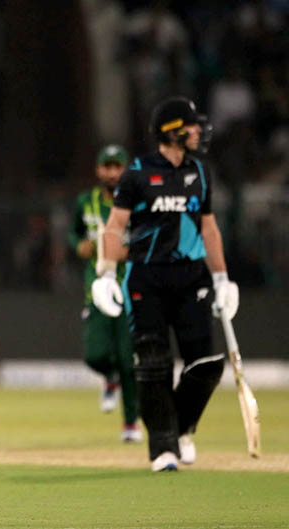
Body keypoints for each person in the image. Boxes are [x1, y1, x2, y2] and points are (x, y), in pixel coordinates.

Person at [92, 96, 239, 471]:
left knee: (206, 363)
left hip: (192, 278)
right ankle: (163, 448)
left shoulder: (201, 173)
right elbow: (115, 227)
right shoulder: (138, 172)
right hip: (147, 276)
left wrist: (222, 277)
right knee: (153, 364)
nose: (198, 131)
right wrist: (107, 273)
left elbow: (209, 228)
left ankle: (182, 427)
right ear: (172, 130)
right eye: (191, 125)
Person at [68, 144, 141, 443]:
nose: (111, 172)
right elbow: (74, 232)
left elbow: (149, 233)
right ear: (98, 170)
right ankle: (108, 377)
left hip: (128, 286)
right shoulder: (86, 201)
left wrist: (130, 250)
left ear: (126, 169)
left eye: (117, 166)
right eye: (106, 166)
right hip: (95, 287)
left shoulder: (135, 202)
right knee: (95, 354)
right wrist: (77, 246)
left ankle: (131, 424)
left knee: (128, 359)